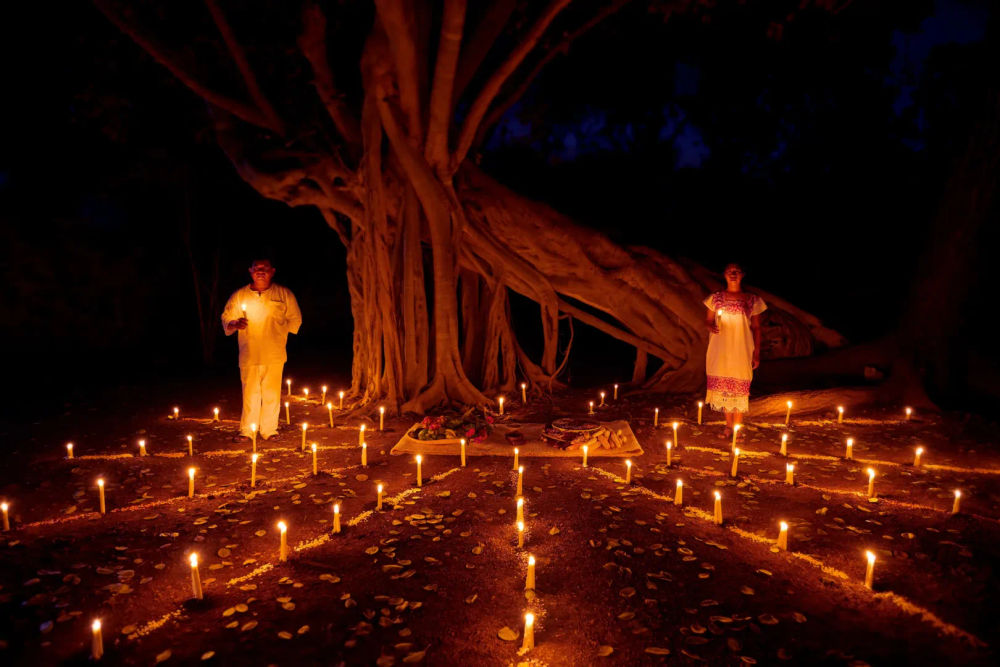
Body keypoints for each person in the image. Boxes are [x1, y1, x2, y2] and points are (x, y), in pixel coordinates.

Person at [222, 259, 302, 441]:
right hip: (249, 352)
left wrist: (278, 332)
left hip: (274, 353)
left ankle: (269, 430)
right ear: (250, 271)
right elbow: (227, 317)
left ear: (272, 271)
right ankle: (247, 431)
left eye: (264, 268)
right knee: (250, 393)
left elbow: (295, 319)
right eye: (257, 268)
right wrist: (235, 323)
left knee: (272, 393)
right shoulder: (240, 296)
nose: (260, 271)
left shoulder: (284, 294)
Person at [703, 263, 766, 440]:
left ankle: (738, 427)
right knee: (723, 387)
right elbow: (707, 320)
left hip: (741, 348)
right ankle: (728, 426)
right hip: (720, 348)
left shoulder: (752, 300)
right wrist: (711, 325)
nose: (733, 274)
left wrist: (757, 352)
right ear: (724, 274)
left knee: (740, 387)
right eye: (730, 271)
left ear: (742, 275)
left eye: (737, 271)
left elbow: (757, 328)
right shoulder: (715, 299)